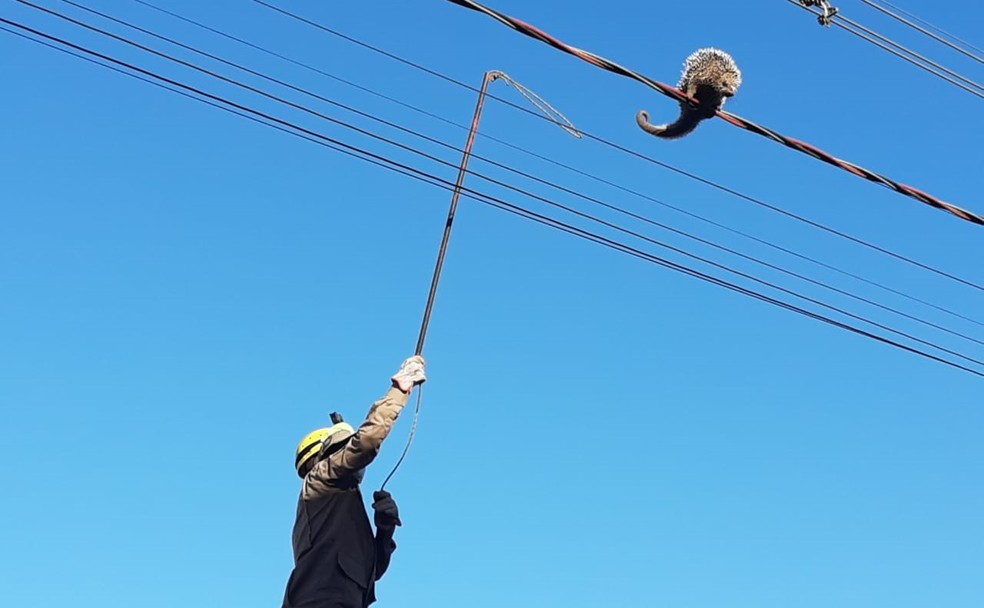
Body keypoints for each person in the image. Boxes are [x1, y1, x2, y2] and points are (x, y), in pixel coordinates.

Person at [281, 355, 427, 608]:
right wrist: (399, 390)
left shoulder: (337, 510)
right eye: (341, 448)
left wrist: (384, 529)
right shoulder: (321, 480)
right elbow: (366, 443)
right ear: (323, 456)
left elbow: (370, 571)